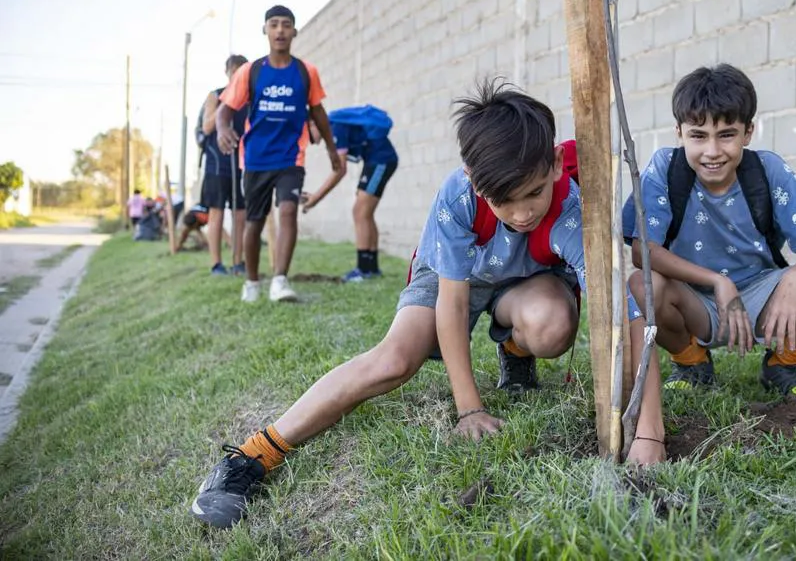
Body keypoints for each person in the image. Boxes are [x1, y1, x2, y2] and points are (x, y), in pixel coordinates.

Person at [190, 80, 637, 529]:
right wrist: (470, 408)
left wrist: (640, 421)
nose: (522, 214)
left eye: (532, 195)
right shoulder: (457, 197)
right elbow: (453, 302)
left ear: (555, 168)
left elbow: (615, 308)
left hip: (526, 277)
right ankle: (252, 456)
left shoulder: (568, 206)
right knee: (394, 361)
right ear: (472, 177)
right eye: (504, 199)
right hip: (451, 275)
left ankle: (515, 348)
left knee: (554, 325)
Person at [623, 64, 796, 466]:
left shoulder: (766, 169)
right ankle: (692, 363)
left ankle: (786, 364)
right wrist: (716, 281)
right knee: (641, 283)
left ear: (748, 133)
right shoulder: (664, 169)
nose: (713, 150)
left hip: (761, 295)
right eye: (698, 136)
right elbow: (642, 250)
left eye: (726, 135)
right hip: (694, 301)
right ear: (679, 133)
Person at [215, 5, 341, 302]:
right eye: (274, 24)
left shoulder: (305, 71)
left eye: (286, 25)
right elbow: (225, 110)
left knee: (287, 210)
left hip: (290, 156)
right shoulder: (251, 71)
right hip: (256, 157)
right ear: (265, 30)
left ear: (294, 31)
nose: (280, 30)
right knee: (254, 221)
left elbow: (318, 111)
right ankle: (252, 282)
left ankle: (280, 280)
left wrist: (332, 148)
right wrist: (222, 129)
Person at [301, 104, 398, 281]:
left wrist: (316, 198)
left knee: (360, 212)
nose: (310, 141)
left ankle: (364, 270)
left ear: (313, 123)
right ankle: (372, 268)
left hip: (381, 160)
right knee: (365, 213)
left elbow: (340, 170)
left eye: (308, 134)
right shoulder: (334, 125)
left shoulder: (334, 127)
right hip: (375, 160)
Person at [199, 54, 250, 276]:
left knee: (241, 214)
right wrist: (224, 105)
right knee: (216, 213)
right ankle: (216, 264)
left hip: (242, 164)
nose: (237, 76)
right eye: (233, 72)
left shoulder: (250, 99)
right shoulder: (215, 95)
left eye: (241, 72)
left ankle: (238, 261)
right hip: (217, 165)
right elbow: (207, 127)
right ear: (227, 72)